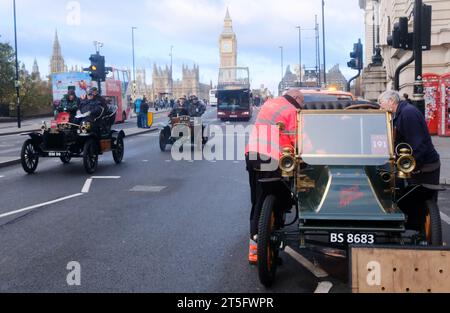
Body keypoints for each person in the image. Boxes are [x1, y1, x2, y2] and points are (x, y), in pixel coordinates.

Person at [245, 89, 305, 264]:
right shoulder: (292, 111)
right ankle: (269, 241)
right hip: (272, 158)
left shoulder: (270, 103)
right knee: (279, 199)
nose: (303, 106)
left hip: (253, 154)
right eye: (302, 103)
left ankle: (255, 248)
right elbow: (298, 139)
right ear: (297, 98)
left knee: (258, 200)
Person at [378, 90, 440, 185]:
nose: (380, 107)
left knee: (421, 199)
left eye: (381, 103)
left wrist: (411, 168)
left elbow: (418, 145)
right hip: (420, 167)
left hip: (424, 169)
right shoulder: (402, 112)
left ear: (391, 101)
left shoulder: (408, 113)